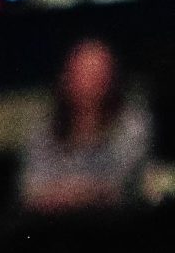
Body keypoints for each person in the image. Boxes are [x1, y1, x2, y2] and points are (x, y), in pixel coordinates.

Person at [19, 37, 153, 214]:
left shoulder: (132, 124)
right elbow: (31, 190)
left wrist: (68, 192)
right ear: (67, 77)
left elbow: (118, 186)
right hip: (53, 228)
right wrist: (80, 193)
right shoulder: (44, 127)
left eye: (99, 74)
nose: (92, 82)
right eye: (84, 74)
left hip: (116, 226)